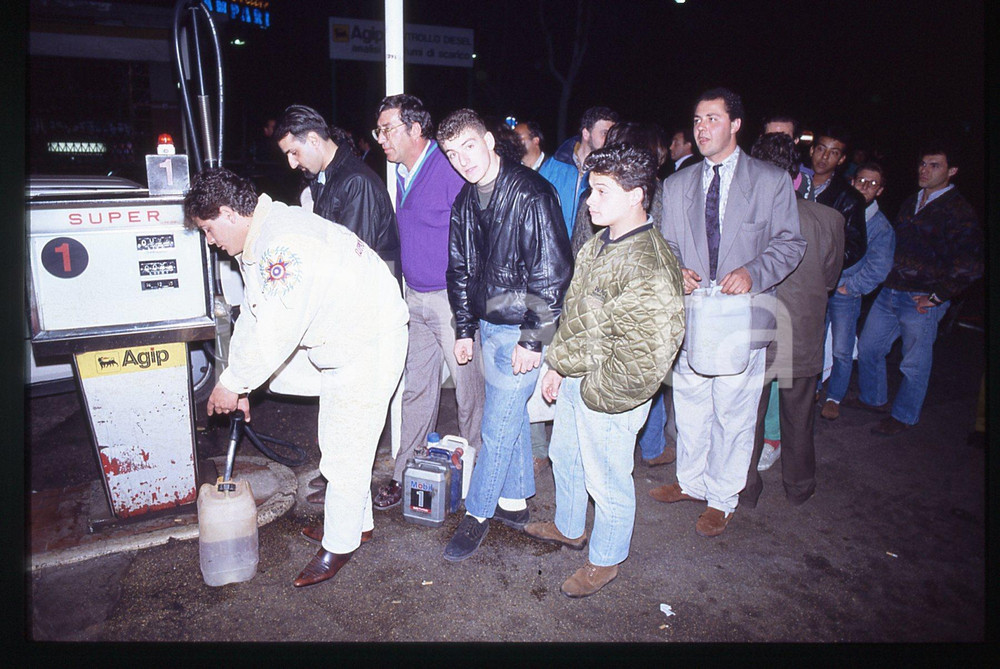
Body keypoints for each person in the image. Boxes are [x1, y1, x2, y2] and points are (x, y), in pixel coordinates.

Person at [184, 168, 407, 587]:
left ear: (229, 213)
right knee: (340, 436)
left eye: (209, 229)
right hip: (345, 336)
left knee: (346, 447)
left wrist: (234, 384)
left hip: (369, 341)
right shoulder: (263, 235)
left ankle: (340, 543)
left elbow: (275, 330)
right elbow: (254, 315)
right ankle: (356, 525)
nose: (210, 241)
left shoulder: (282, 244)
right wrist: (237, 380)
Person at [524, 143, 685, 597]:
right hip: (582, 377)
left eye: (601, 191)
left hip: (611, 392)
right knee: (566, 456)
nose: (589, 201)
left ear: (636, 195)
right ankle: (569, 525)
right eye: (590, 189)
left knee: (608, 479)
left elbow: (649, 356)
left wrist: (597, 394)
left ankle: (606, 560)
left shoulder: (649, 264)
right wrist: (559, 366)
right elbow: (577, 312)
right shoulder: (601, 242)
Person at [651, 87, 805, 538]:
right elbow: (666, 244)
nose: (702, 129)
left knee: (733, 413)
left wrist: (754, 272)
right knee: (691, 406)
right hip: (693, 315)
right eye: (697, 121)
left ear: (736, 124)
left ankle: (722, 498)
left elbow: (791, 243)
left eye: (713, 119)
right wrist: (675, 269)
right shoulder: (677, 184)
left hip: (742, 316)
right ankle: (691, 481)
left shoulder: (770, 181)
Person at [438, 108, 572, 562]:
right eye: (452, 153)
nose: (463, 160)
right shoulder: (465, 200)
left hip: (522, 326)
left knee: (494, 426)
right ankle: (514, 502)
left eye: (469, 146)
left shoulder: (533, 193)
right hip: (489, 325)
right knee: (507, 416)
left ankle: (477, 513)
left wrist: (533, 340)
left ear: (490, 141)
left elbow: (553, 274)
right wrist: (464, 327)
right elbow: (459, 270)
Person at [369, 93, 485, 510]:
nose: (381, 138)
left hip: (451, 301)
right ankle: (405, 474)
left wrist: (469, 300)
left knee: (470, 393)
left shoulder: (448, 167)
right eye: (378, 131)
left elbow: (478, 232)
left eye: (388, 129)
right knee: (415, 389)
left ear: (415, 129)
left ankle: (474, 479)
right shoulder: (402, 172)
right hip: (414, 297)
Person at [850, 145, 983, 435]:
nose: (924, 170)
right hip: (891, 290)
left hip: (921, 299)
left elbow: (971, 265)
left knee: (914, 363)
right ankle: (872, 398)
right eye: (923, 163)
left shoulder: (959, 211)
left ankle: (904, 416)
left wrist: (938, 297)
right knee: (869, 347)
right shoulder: (912, 200)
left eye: (934, 165)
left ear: (952, 171)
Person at [743, 133, 844, 507]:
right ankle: (799, 488)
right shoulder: (829, 219)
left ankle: (745, 490)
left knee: (747, 419)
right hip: (802, 332)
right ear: (796, 175)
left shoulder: (746, 217)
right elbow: (830, 279)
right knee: (799, 417)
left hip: (754, 334)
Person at [274, 104, 400, 285]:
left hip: (370, 295)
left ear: (313, 140)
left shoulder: (356, 182)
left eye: (294, 153)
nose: (292, 164)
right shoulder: (323, 178)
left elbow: (352, 261)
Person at [820, 162, 896, 420]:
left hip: (845, 293)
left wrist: (849, 287)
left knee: (842, 349)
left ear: (880, 190)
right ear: (852, 182)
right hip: (823, 286)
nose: (865, 186)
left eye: (873, 184)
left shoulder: (881, 227)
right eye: (861, 180)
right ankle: (814, 388)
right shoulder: (840, 210)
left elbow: (879, 268)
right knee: (816, 340)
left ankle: (834, 397)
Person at [806, 128, 867, 273]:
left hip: (815, 275)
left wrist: (823, 264)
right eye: (821, 149)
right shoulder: (790, 182)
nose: (825, 157)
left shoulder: (850, 198)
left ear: (841, 159)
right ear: (812, 150)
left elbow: (855, 246)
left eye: (833, 153)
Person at [551, 106, 619, 226]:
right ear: (586, 134)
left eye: (612, 134)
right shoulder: (554, 165)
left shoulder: (612, 170)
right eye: (604, 133)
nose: (609, 140)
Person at [515, 120, 579, 235]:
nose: (513, 143)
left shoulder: (560, 170)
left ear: (535, 140)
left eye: (518, 138)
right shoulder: (514, 173)